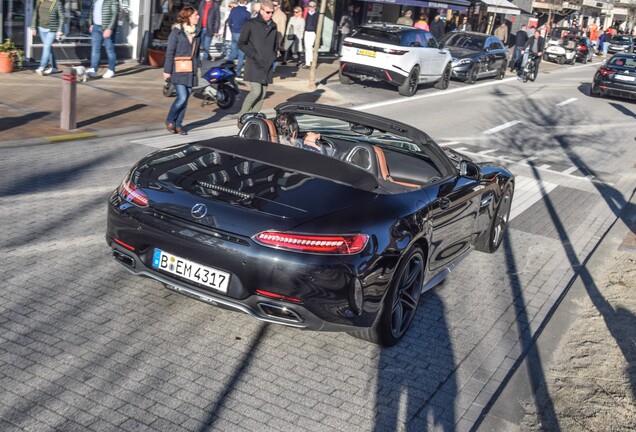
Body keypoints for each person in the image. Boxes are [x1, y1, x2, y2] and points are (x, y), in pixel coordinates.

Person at [237, 0, 278, 124]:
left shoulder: (273, 25)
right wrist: (254, 55)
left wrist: (274, 56)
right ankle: (241, 117)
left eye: (272, 12)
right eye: (268, 12)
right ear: (261, 11)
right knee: (256, 91)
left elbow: (275, 44)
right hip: (254, 63)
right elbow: (241, 43)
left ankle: (252, 119)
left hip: (267, 64)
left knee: (262, 94)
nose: (270, 14)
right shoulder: (251, 24)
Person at [163, 6, 201, 136]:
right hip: (178, 69)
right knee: (182, 97)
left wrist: (199, 68)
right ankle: (170, 120)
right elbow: (170, 53)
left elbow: (196, 54)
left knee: (186, 99)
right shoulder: (177, 32)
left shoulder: (197, 33)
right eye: (196, 15)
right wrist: (167, 71)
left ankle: (178, 124)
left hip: (191, 70)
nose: (198, 17)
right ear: (189, 17)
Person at [87, 0, 120, 79]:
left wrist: (109, 29)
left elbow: (115, 14)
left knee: (109, 49)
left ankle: (111, 70)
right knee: (95, 49)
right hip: (96, 27)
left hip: (106, 28)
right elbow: (92, 11)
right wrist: (91, 23)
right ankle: (93, 69)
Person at [31, 0, 64, 76]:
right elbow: (35, 14)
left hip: (51, 29)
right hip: (41, 28)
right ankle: (54, 67)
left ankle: (42, 67)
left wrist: (60, 30)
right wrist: (33, 27)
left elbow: (62, 17)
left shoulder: (57, 3)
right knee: (49, 48)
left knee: (46, 47)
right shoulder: (40, 1)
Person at [227, 0, 250, 77]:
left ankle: (227, 68)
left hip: (234, 32)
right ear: (246, 2)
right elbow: (248, 26)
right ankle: (238, 73)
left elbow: (229, 22)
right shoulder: (247, 13)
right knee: (241, 54)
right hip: (242, 34)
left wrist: (232, 30)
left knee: (233, 52)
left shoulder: (233, 10)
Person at [303, 1, 318, 69]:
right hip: (306, 31)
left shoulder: (317, 14)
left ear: (315, 7)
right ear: (308, 6)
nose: (312, 7)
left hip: (313, 32)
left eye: (313, 6)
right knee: (306, 47)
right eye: (310, 6)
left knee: (310, 47)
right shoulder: (306, 14)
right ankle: (307, 63)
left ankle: (312, 62)